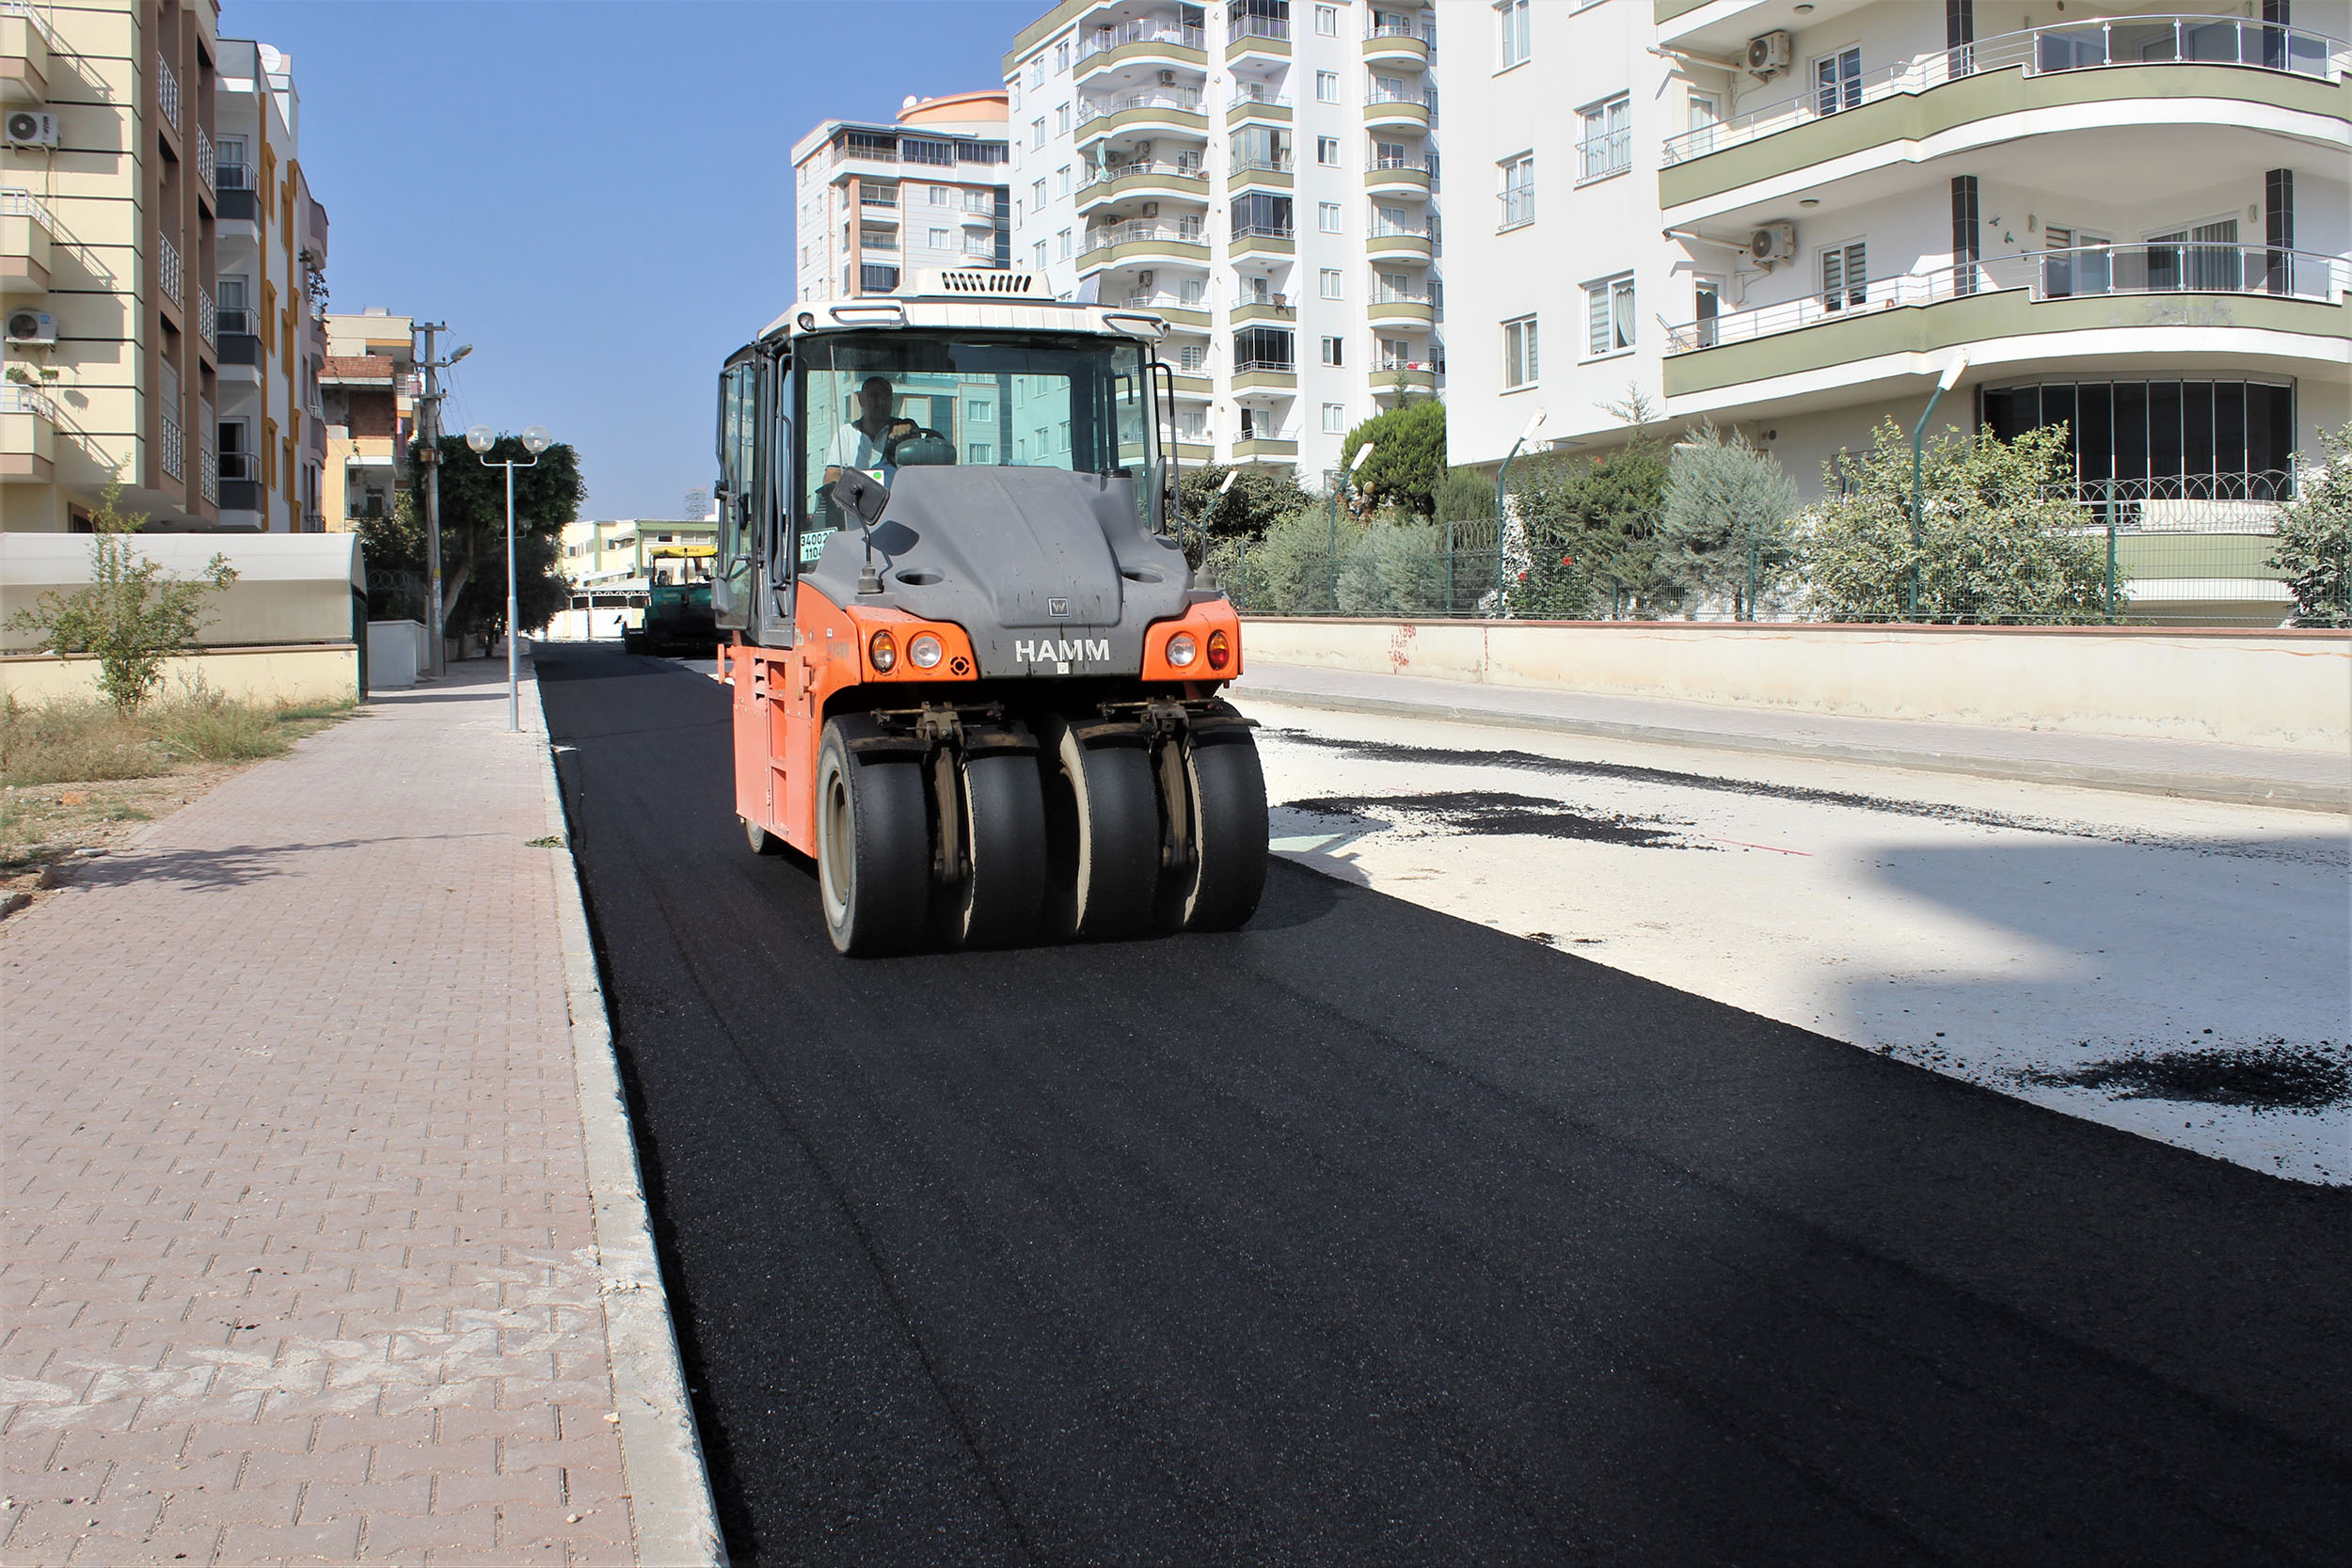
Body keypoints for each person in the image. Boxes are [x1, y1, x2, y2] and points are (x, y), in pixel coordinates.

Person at [823, 374, 915, 488]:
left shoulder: (904, 431)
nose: (881, 402)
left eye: (886, 396)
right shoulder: (845, 434)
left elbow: (920, 471)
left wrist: (908, 435)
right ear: (861, 400)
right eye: (874, 396)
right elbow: (831, 477)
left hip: (897, 503)